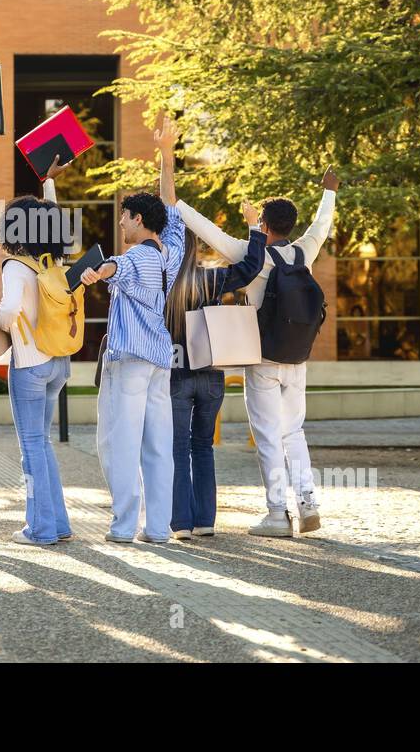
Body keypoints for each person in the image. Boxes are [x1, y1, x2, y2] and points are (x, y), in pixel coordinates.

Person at [177, 166, 339, 536]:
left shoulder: (252, 254)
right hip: (298, 358)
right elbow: (322, 225)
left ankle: (276, 515)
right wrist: (329, 191)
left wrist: (176, 203)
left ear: (263, 225)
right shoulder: (304, 251)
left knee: (267, 435)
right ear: (291, 225)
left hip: (264, 359)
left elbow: (208, 231)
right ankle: (308, 502)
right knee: (293, 431)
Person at [153, 123, 267, 539]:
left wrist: (166, 157)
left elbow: (167, 207)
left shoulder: (163, 279)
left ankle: (179, 523)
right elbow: (251, 268)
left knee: (178, 447)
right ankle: (205, 523)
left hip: (176, 374)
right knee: (203, 447)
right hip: (213, 374)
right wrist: (254, 227)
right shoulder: (211, 279)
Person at [78, 129, 186, 544]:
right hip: (159, 359)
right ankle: (157, 528)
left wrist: (96, 271)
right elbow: (171, 206)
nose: (121, 222)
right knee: (159, 446)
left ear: (138, 221)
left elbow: (115, 266)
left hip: (129, 362)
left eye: (124, 216)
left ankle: (124, 526)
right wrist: (165, 154)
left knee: (116, 444)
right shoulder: (170, 250)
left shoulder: (138, 255)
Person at [0, 156, 74, 545]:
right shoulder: (52, 260)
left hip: (29, 364)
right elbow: (54, 217)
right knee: (42, 444)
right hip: (59, 362)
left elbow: (8, 311)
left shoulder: (15, 266)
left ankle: (40, 528)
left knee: (31, 448)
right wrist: (48, 186)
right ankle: (58, 524)